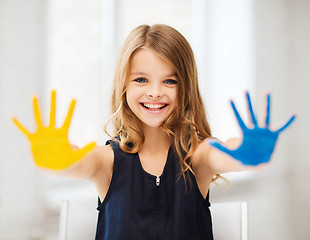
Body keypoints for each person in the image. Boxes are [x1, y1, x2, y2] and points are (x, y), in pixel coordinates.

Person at [12, 24, 295, 240]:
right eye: (141, 79)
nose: (155, 92)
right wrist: (58, 159)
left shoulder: (198, 156)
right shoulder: (107, 161)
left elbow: (227, 153)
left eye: (169, 80)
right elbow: (79, 162)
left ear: (185, 87)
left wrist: (248, 154)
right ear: (124, 86)